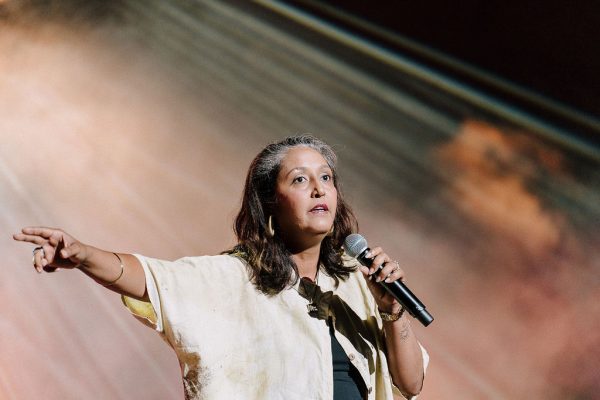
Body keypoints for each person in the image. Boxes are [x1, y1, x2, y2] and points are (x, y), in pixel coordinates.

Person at [13, 135, 428, 400]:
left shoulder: (356, 281)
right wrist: (83, 254)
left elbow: (409, 384)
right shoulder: (233, 278)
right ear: (270, 203)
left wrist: (393, 311)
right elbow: (149, 277)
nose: (320, 189)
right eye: (300, 180)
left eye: (326, 178)